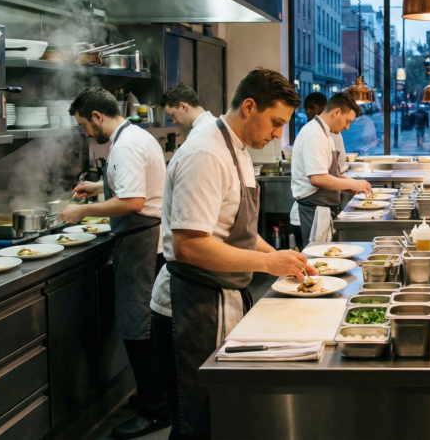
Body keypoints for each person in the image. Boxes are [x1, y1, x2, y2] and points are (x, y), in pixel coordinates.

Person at [149, 68, 316, 440]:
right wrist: (269, 263)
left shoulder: (236, 149)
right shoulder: (206, 153)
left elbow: (235, 230)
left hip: (219, 297)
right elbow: (189, 244)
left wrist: (283, 258)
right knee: (197, 422)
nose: (277, 134)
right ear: (249, 106)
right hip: (188, 306)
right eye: (275, 123)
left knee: (221, 415)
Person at [59, 87, 169, 439]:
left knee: (138, 327)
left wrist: (81, 210)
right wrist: (99, 186)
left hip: (141, 239)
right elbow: (134, 188)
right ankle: (157, 397)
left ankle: (155, 410)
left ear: (96, 116)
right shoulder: (138, 135)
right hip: (149, 237)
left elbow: (134, 201)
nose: (86, 133)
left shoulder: (124, 145)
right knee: (146, 324)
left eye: (84, 125)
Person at [290, 92, 371, 244]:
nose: (347, 127)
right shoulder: (314, 134)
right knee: (314, 264)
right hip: (311, 214)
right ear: (336, 112)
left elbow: (331, 175)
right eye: (347, 121)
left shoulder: (325, 134)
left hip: (320, 212)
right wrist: (353, 184)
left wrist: (352, 185)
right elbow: (318, 179)